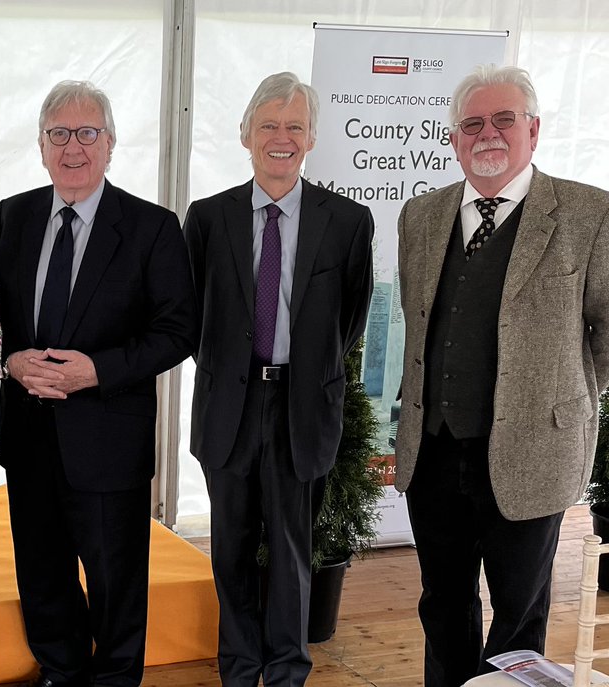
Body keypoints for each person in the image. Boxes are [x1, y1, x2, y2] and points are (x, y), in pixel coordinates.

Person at [395, 63, 609, 686]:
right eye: (472, 123)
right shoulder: (422, 216)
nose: (487, 133)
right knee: (443, 604)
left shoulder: (588, 213)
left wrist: (563, 397)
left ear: (533, 130)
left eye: (504, 120)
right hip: (433, 450)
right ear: (455, 138)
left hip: (535, 450)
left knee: (518, 615)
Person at [0, 80, 197, 687]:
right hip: (29, 435)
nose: (73, 148)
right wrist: (10, 360)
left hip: (108, 440)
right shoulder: (15, 214)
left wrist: (97, 371)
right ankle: (61, 670)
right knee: (42, 573)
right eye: (59, 134)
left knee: (115, 580)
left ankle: (114, 679)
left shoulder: (153, 226)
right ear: (41, 145)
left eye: (87, 134)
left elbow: (178, 330)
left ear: (110, 144)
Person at [183, 71, 374, 687]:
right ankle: (239, 668)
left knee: (293, 551)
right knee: (231, 549)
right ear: (246, 135)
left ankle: (288, 670)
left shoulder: (347, 221)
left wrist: (300, 372)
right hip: (229, 406)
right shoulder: (208, 218)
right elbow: (192, 315)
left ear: (312, 136)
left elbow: (350, 320)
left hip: (301, 406)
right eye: (268, 125)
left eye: (294, 125)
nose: (281, 137)